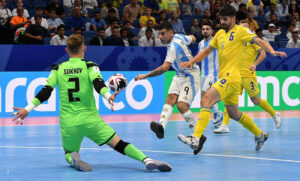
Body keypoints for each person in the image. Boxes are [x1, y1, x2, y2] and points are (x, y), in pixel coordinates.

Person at [11, 34, 172, 173]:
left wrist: (27, 108)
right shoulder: (90, 66)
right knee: (119, 143)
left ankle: (74, 157)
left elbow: (46, 91)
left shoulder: (57, 68)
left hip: (68, 123)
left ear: (67, 50)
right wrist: (108, 96)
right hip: (90, 120)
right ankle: (146, 160)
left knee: (69, 151)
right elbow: (98, 84)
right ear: (84, 48)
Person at [178, 5, 286, 155]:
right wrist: (192, 61)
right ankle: (259, 134)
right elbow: (206, 51)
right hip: (226, 78)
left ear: (233, 19)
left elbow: (260, 41)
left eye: (225, 19)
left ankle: (196, 138)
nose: (222, 21)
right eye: (221, 18)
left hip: (232, 77)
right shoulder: (220, 33)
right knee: (234, 114)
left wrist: (272, 51)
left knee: (206, 100)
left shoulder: (241, 31)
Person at [214, 20, 282, 134]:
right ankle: (225, 125)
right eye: (240, 28)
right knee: (230, 98)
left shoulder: (252, 41)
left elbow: (263, 53)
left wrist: (254, 64)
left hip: (247, 74)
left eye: (244, 28)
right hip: (235, 74)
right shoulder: (237, 41)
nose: (241, 30)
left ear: (250, 30)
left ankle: (274, 114)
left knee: (255, 100)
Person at [135, 22, 199, 139]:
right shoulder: (179, 36)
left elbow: (164, 68)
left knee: (181, 106)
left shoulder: (173, 46)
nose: (160, 37)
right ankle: (161, 127)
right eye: (159, 34)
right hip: (179, 75)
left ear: (170, 33)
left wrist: (145, 76)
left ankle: (198, 135)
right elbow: (193, 38)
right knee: (170, 100)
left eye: (163, 34)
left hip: (190, 76)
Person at [195, 22, 223, 128]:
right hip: (203, 74)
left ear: (211, 31)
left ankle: (217, 113)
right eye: (203, 29)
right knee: (205, 97)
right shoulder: (200, 44)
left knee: (205, 95)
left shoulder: (216, 42)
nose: (205, 30)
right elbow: (200, 57)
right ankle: (217, 114)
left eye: (207, 29)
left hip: (213, 73)